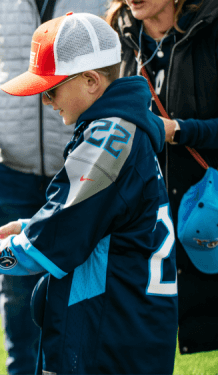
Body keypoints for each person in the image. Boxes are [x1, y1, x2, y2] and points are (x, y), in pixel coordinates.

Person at [0, 12, 178, 374]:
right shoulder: (121, 127)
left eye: (51, 88)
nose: (46, 101)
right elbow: (90, 222)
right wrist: (31, 223)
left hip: (107, 335)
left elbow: (50, 241)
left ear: (91, 81)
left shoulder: (108, 139)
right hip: (127, 327)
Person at [0, 1, 111, 373]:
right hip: (10, 167)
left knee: (86, 285)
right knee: (16, 293)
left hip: (84, 171)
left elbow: (115, 66)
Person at [105, 0, 218, 355]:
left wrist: (180, 130)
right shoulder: (112, 33)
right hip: (140, 222)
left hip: (208, 209)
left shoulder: (212, 26)